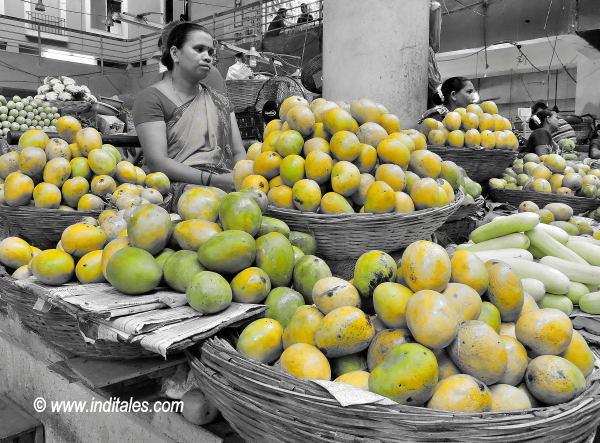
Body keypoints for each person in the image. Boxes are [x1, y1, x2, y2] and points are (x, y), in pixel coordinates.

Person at [133, 22, 245, 194]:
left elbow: (238, 153)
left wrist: (240, 179)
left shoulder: (222, 102)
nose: (207, 57)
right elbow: (157, 162)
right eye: (199, 49)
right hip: (174, 190)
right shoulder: (150, 98)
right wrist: (212, 180)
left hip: (226, 186)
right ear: (175, 53)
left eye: (210, 52)